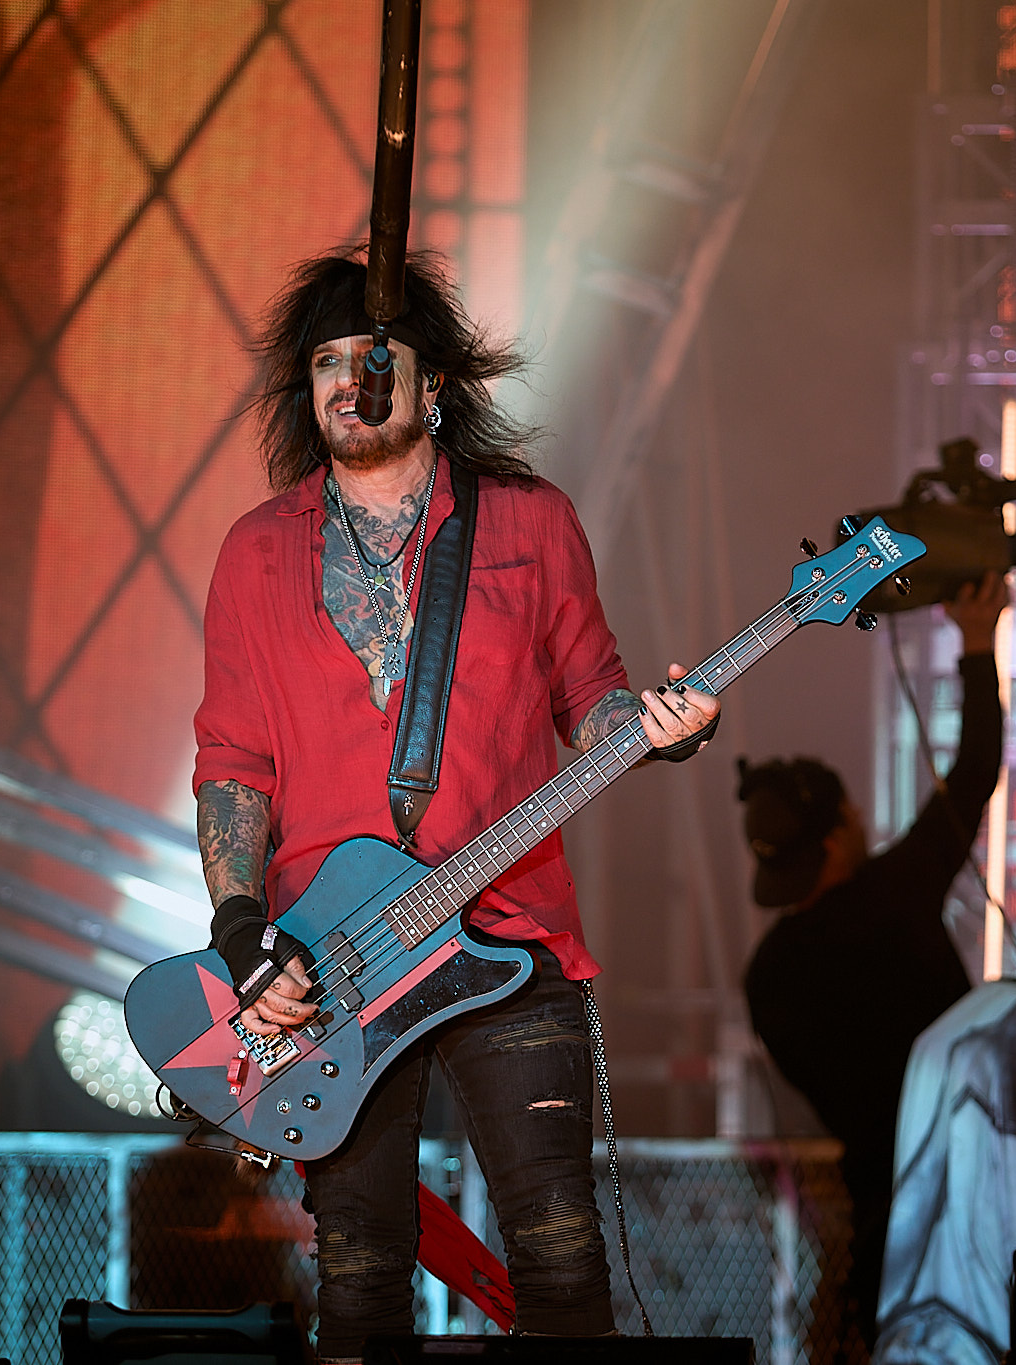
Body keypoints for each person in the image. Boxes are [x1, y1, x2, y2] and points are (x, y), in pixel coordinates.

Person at [191, 248, 718, 1359]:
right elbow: (233, 762)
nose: (348, 379)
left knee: (561, 1257)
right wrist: (241, 933)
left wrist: (653, 731)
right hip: (333, 958)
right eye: (325, 361)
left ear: (434, 386)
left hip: (509, 933)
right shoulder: (254, 553)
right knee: (360, 1272)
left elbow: (593, 699)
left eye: (374, 358)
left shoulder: (529, 524)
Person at [738, 570, 1007, 1347]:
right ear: (833, 838)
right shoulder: (893, 895)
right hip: (969, 1178)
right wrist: (980, 644)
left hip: (876, 1202)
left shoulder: (768, 979)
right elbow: (976, 767)